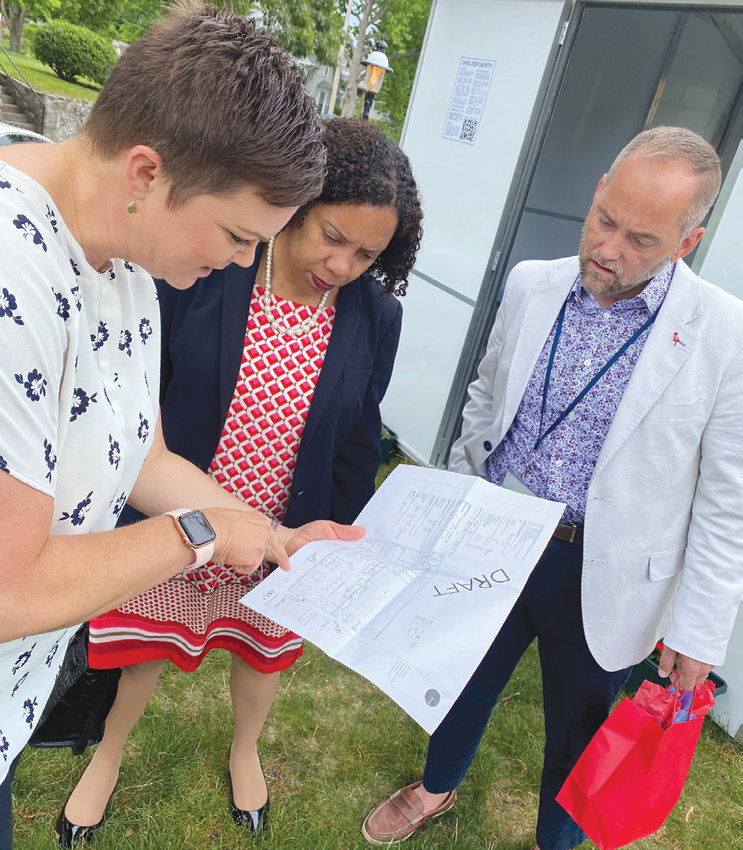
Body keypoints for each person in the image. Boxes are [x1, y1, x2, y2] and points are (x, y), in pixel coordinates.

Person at [0, 5, 365, 848]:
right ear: (145, 173)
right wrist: (198, 536)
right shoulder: (16, 275)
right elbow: (10, 588)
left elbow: (145, 456)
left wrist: (269, 535)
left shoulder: (127, 259)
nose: (243, 263)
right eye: (239, 235)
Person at [362, 126, 743, 850]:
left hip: (605, 571)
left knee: (580, 728)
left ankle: (553, 843)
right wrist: (457, 495)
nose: (608, 249)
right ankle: (435, 787)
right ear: (600, 186)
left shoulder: (725, 334)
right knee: (461, 678)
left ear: (684, 243)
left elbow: (728, 502)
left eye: (641, 240)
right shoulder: (532, 281)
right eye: (606, 219)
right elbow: (485, 392)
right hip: (498, 535)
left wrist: (697, 634)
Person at [56, 117, 423, 843]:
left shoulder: (375, 315)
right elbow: (141, 396)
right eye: (331, 236)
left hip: (288, 534)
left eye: (367, 253)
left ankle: (244, 748)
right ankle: (109, 753)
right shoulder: (208, 269)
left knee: (260, 657)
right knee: (142, 652)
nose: (344, 265)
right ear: (294, 204)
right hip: (178, 515)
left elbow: (358, 435)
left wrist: (343, 540)